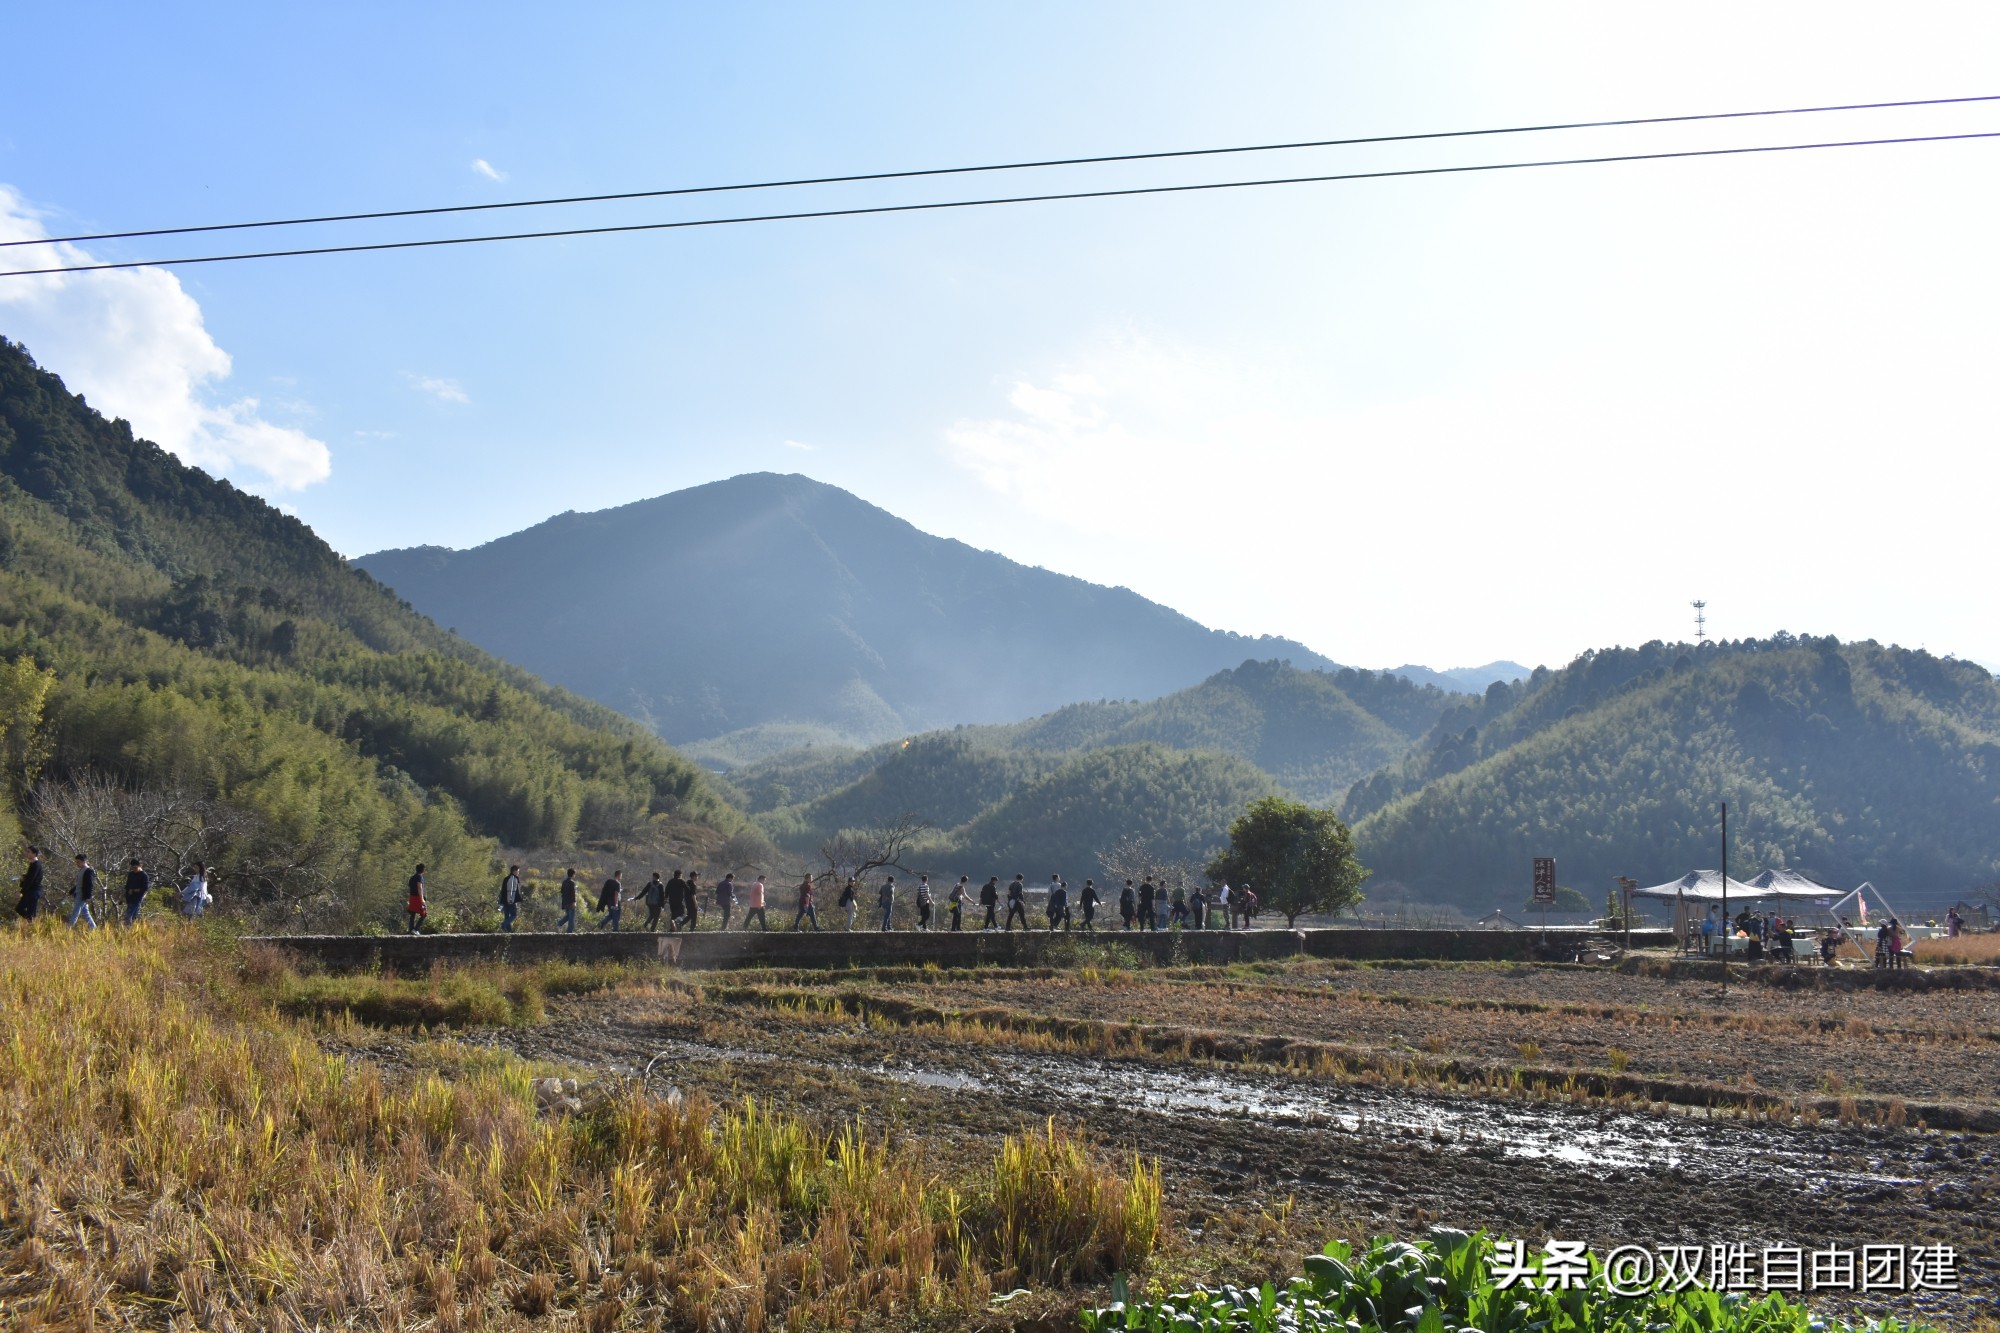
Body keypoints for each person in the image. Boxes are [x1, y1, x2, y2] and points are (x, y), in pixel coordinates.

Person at [16, 846, 43, 922]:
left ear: (34, 854)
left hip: (33, 892)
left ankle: (32, 926)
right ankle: (31, 923)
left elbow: (31, 880)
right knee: (20, 909)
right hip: (30, 891)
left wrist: (21, 892)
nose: (27, 853)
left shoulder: (36, 865)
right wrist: (24, 878)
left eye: (29, 852)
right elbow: (29, 878)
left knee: (29, 912)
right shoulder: (33, 864)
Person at [121, 858, 150, 926]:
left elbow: (145, 888)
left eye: (135, 867)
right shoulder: (131, 874)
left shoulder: (144, 875)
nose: (134, 869)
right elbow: (127, 886)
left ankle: (127, 930)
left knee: (128, 915)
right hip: (129, 897)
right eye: (132, 867)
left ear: (140, 866)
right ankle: (136, 929)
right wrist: (123, 897)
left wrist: (134, 890)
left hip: (137, 898)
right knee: (134, 916)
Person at [499, 864, 524, 932]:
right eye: (518, 871)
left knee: (507, 917)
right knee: (514, 915)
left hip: (505, 900)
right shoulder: (513, 879)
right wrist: (511, 900)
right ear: (514, 871)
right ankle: (503, 925)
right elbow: (511, 890)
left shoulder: (506, 878)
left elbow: (503, 891)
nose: (518, 873)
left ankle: (509, 932)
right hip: (510, 900)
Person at [404, 863, 426, 935]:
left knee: (412, 913)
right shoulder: (419, 877)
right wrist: (422, 899)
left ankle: (411, 930)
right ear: (423, 870)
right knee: (423, 914)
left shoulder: (412, 877)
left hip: (412, 897)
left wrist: (408, 899)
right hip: (418, 898)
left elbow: (409, 889)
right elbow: (419, 887)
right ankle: (416, 929)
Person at [559, 868, 579, 933]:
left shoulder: (564, 882)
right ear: (573, 874)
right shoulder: (572, 883)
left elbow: (562, 891)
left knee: (568, 916)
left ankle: (559, 923)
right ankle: (569, 931)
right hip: (571, 902)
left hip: (565, 902)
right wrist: (574, 902)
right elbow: (573, 894)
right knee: (571, 918)